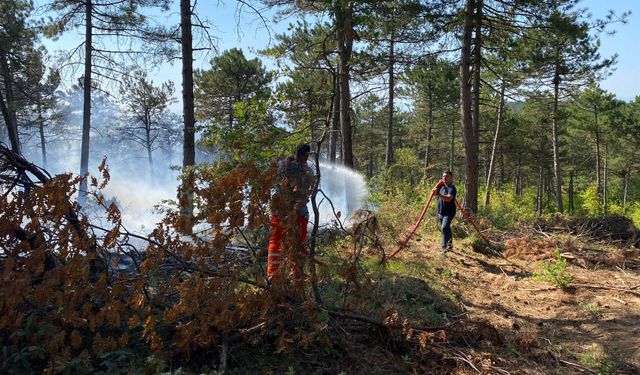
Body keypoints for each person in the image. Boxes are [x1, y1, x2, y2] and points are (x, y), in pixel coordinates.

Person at [267, 143, 315, 278]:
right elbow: (309, 192)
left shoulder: (281, 165)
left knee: (275, 243)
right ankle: (297, 276)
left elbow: (270, 181)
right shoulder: (309, 172)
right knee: (298, 245)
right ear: (306, 156)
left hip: (279, 212)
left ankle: (272, 275)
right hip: (300, 213)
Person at [433, 170, 456, 255]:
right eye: (443, 176)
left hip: (449, 213)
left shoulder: (452, 188)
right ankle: (450, 245)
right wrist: (437, 185)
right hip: (440, 212)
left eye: (447, 176)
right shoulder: (441, 186)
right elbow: (434, 193)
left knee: (444, 228)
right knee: (446, 228)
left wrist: (438, 194)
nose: (444, 178)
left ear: (451, 178)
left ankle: (443, 249)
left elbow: (448, 198)